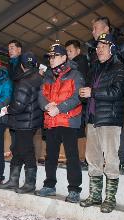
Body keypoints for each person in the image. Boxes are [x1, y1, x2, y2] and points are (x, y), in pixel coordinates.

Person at [79, 33, 124, 213]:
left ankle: (110, 198)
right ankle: (95, 195)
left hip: (109, 119)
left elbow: (116, 92)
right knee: (93, 159)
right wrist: (84, 95)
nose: (99, 49)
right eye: (98, 47)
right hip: (92, 119)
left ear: (112, 48)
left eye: (103, 46)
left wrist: (93, 92)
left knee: (111, 159)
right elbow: (91, 93)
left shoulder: (119, 67)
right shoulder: (94, 69)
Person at [34, 44, 83, 202]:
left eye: (54, 56)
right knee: (51, 156)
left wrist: (59, 108)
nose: (51, 59)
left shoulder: (75, 75)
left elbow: (78, 96)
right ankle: (49, 185)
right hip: (51, 121)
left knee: (72, 156)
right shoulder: (48, 76)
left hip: (68, 121)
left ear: (63, 58)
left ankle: (74, 189)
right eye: (50, 57)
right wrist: (46, 106)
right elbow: (41, 95)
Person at [0, 52, 43, 194]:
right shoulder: (38, 78)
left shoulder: (24, 81)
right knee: (17, 150)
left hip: (23, 121)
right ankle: (13, 180)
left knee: (26, 151)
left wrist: (8, 109)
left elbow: (19, 105)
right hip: (32, 120)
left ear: (22, 66)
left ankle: (29, 183)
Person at [65, 39, 90, 170]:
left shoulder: (81, 63)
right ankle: (77, 158)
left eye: (71, 50)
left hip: (80, 102)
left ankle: (81, 158)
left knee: (79, 130)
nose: (68, 53)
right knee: (76, 131)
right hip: (77, 101)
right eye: (67, 51)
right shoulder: (72, 65)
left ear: (78, 51)